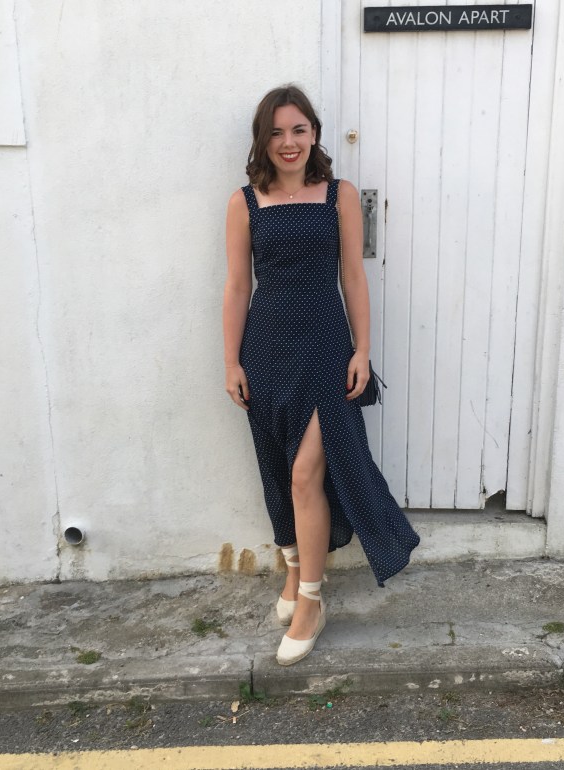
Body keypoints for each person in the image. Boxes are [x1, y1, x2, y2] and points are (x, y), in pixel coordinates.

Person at [223, 85, 420, 666]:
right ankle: (293, 570)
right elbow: (237, 286)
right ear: (263, 140)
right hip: (266, 348)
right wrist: (231, 361)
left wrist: (363, 350)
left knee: (306, 472)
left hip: (327, 346)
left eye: (299, 130)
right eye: (277, 132)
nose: (289, 142)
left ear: (315, 134)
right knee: (278, 466)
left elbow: (353, 276)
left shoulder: (340, 194)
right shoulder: (244, 202)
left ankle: (310, 601)